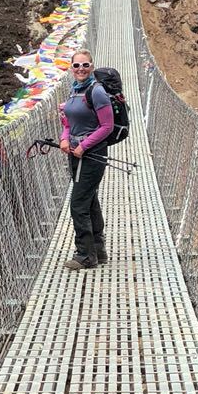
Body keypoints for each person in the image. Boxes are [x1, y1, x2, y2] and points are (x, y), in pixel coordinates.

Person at [59, 49, 113, 271]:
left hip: (92, 155)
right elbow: (68, 123)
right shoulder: (74, 90)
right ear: (71, 69)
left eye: (85, 65)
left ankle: (85, 255)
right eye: (76, 66)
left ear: (92, 66)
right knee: (89, 201)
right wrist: (64, 139)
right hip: (76, 153)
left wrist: (83, 146)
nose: (81, 69)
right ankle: (98, 251)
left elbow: (107, 127)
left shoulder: (97, 92)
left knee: (78, 204)